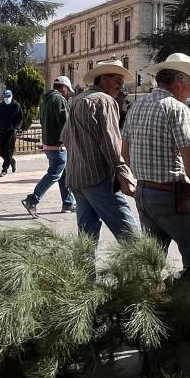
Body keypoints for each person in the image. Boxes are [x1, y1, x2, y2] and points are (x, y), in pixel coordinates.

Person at [122, 53, 190, 268]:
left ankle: (150, 297)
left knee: (153, 258)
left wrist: (142, 174)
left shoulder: (136, 107)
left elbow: (125, 152)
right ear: (180, 81)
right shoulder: (177, 109)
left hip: (143, 192)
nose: (189, 94)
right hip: (169, 195)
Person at [64, 63, 140, 244]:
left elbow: (65, 137)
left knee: (87, 239)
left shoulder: (79, 99)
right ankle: (147, 270)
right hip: (99, 179)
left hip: (77, 177)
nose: (120, 86)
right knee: (131, 236)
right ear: (103, 77)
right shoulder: (104, 101)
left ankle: (86, 273)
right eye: (117, 80)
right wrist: (124, 174)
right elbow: (111, 144)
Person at [22, 76, 76, 215]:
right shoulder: (59, 99)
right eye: (67, 90)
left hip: (49, 143)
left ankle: (68, 203)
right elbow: (65, 123)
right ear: (63, 87)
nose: (68, 93)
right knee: (54, 174)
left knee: (64, 174)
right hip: (58, 145)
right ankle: (32, 199)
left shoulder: (45, 100)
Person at [0, 88, 23, 176]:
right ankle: (11, 161)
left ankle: (4, 169)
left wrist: (16, 128)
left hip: (12, 132)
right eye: (5, 97)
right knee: (1, 150)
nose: (7, 98)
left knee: (9, 150)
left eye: (8, 96)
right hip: (2, 131)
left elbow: (20, 119)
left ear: (12, 96)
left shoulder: (16, 106)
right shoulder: (0, 106)